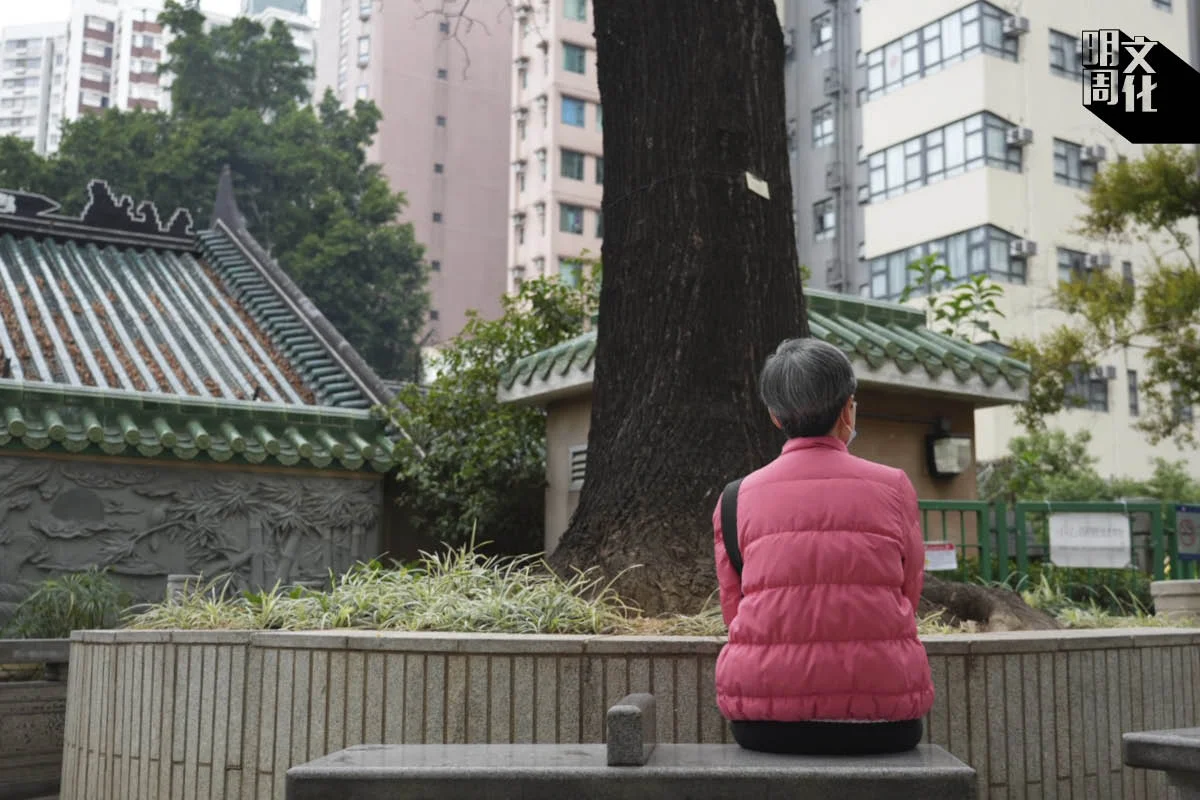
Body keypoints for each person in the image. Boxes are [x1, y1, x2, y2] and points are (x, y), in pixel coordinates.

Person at [712, 337, 934, 756]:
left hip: (763, 720)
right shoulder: (894, 487)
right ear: (848, 408)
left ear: (775, 416)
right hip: (885, 718)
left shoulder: (734, 497)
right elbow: (908, 592)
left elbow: (735, 609)